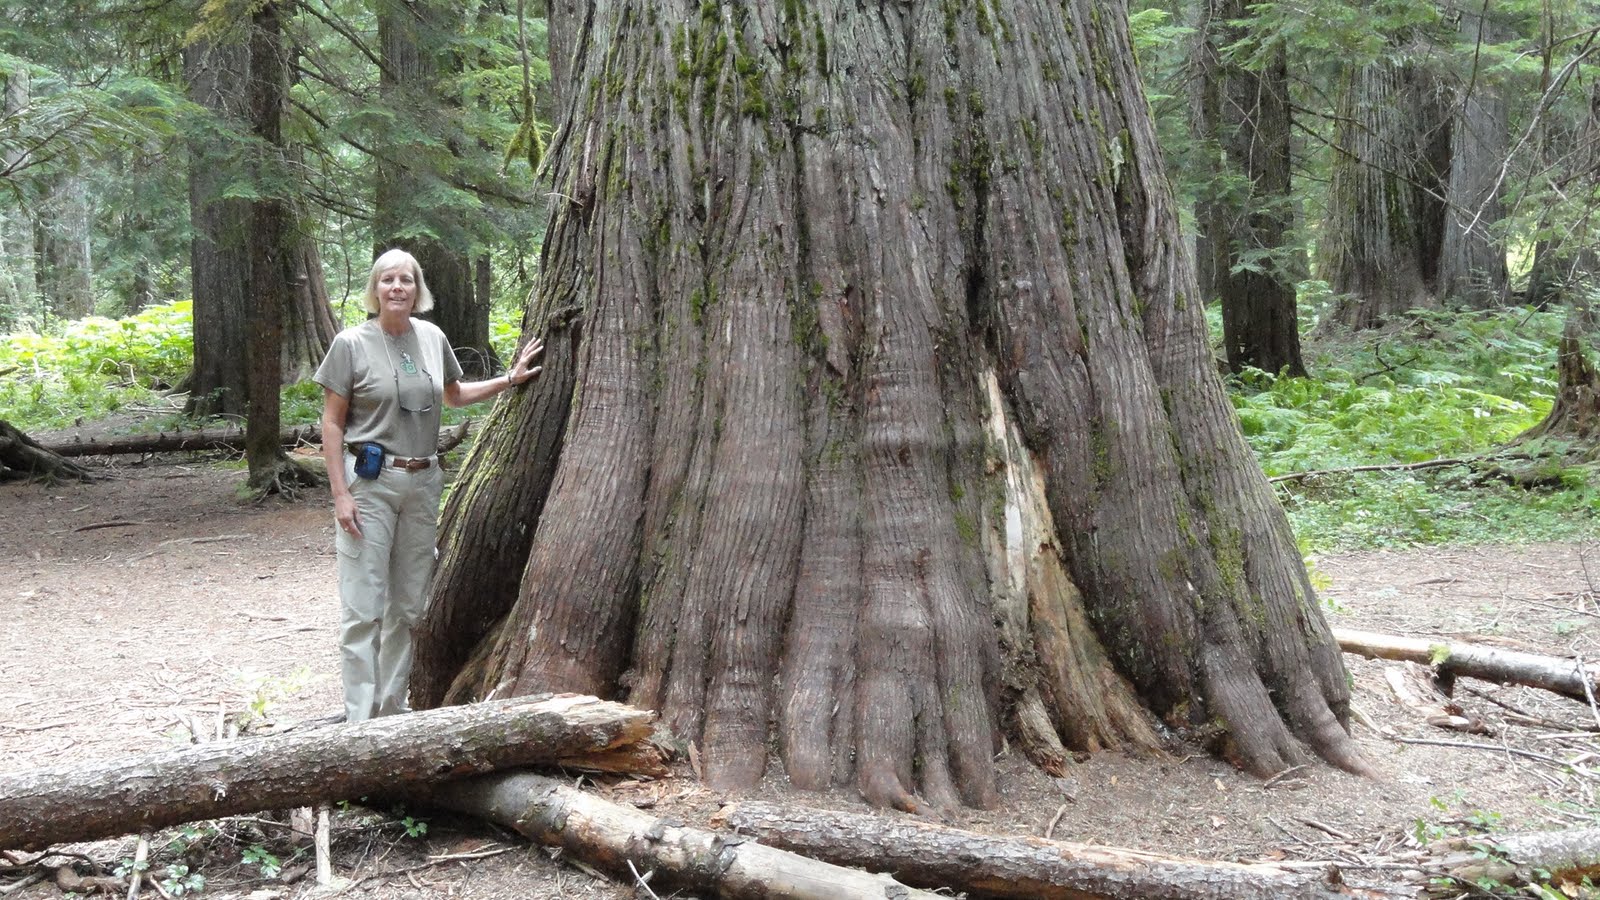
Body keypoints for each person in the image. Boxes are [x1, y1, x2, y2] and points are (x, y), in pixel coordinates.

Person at [314, 248, 542, 722]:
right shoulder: (351, 344)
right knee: (363, 606)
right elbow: (332, 424)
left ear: (418, 290)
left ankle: (391, 712)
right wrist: (339, 493)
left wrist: (508, 380)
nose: (397, 287)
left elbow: (454, 395)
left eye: (407, 280)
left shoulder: (432, 337)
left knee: (409, 605)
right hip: (370, 486)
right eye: (388, 280)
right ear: (374, 290)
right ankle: (358, 724)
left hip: (423, 483)